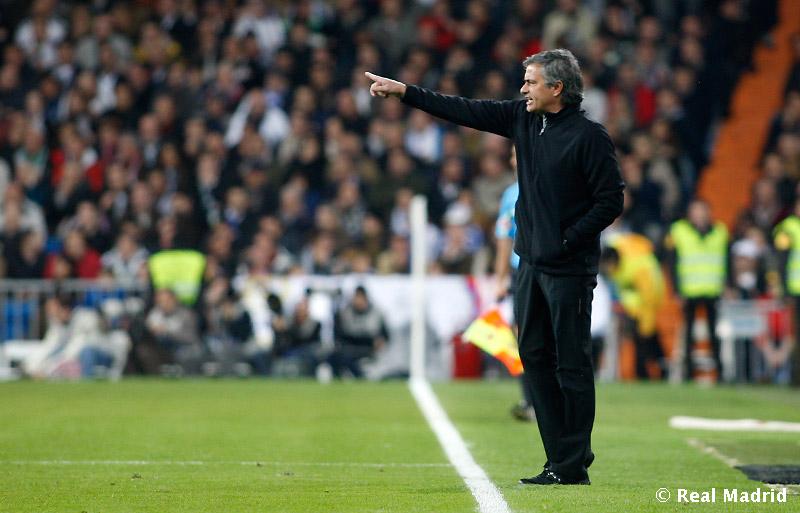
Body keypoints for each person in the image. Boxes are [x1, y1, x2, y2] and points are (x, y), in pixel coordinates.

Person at [367, 48, 624, 485]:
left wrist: (567, 239)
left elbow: (611, 200)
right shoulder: (523, 118)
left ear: (557, 88)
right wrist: (406, 92)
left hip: (568, 270)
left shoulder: (589, 137)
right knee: (534, 357)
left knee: (572, 364)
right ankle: (560, 458)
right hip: (530, 267)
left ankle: (572, 463)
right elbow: (463, 109)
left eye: (531, 81)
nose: (523, 89)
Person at [665, 199, 729, 382]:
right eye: (696, 211)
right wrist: (676, 290)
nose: (699, 215)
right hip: (689, 290)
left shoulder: (720, 232)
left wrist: (727, 284)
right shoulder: (678, 231)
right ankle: (687, 372)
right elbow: (672, 262)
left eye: (702, 211)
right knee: (688, 334)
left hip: (712, 289)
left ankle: (720, 372)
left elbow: (727, 260)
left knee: (715, 333)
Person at [493, 148, 534, 422]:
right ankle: (530, 401)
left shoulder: (548, 185)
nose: (511, 161)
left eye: (516, 155)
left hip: (547, 269)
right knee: (523, 336)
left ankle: (553, 401)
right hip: (521, 273)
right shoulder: (511, 194)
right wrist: (499, 278)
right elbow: (504, 237)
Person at [600, 233, 666, 380]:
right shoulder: (618, 266)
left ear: (612, 261)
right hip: (634, 309)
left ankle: (659, 371)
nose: (606, 270)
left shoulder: (637, 267)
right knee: (640, 340)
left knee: (646, 339)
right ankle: (644, 373)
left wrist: (646, 321)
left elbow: (649, 295)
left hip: (647, 304)